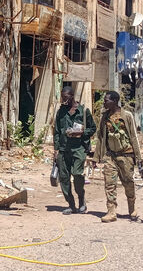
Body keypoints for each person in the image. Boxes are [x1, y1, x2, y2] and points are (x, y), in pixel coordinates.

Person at [95, 90, 142, 223]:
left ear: (115, 101)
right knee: (109, 184)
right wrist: (96, 157)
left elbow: (134, 136)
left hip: (126, 156)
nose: (104, 103)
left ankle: (132, 208)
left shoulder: (127, 116)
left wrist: (138, 157)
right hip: (111, 156)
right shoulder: (105, 117)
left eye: (106, 100)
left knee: (128, 182)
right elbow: (101, 137)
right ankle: (111, 212)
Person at [53, 86, 96, 215]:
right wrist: (55, 150)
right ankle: (71, 205)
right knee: (64, 178)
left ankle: (81, 200)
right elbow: (56, 131)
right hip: (63, 149)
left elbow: (93, 128)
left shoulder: (83, 111)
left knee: (77, 174)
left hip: (79, 148)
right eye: (62, 97)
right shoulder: (61, 112)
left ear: (72, 96)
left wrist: (82, 133)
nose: (64, 100)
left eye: (66, 97)